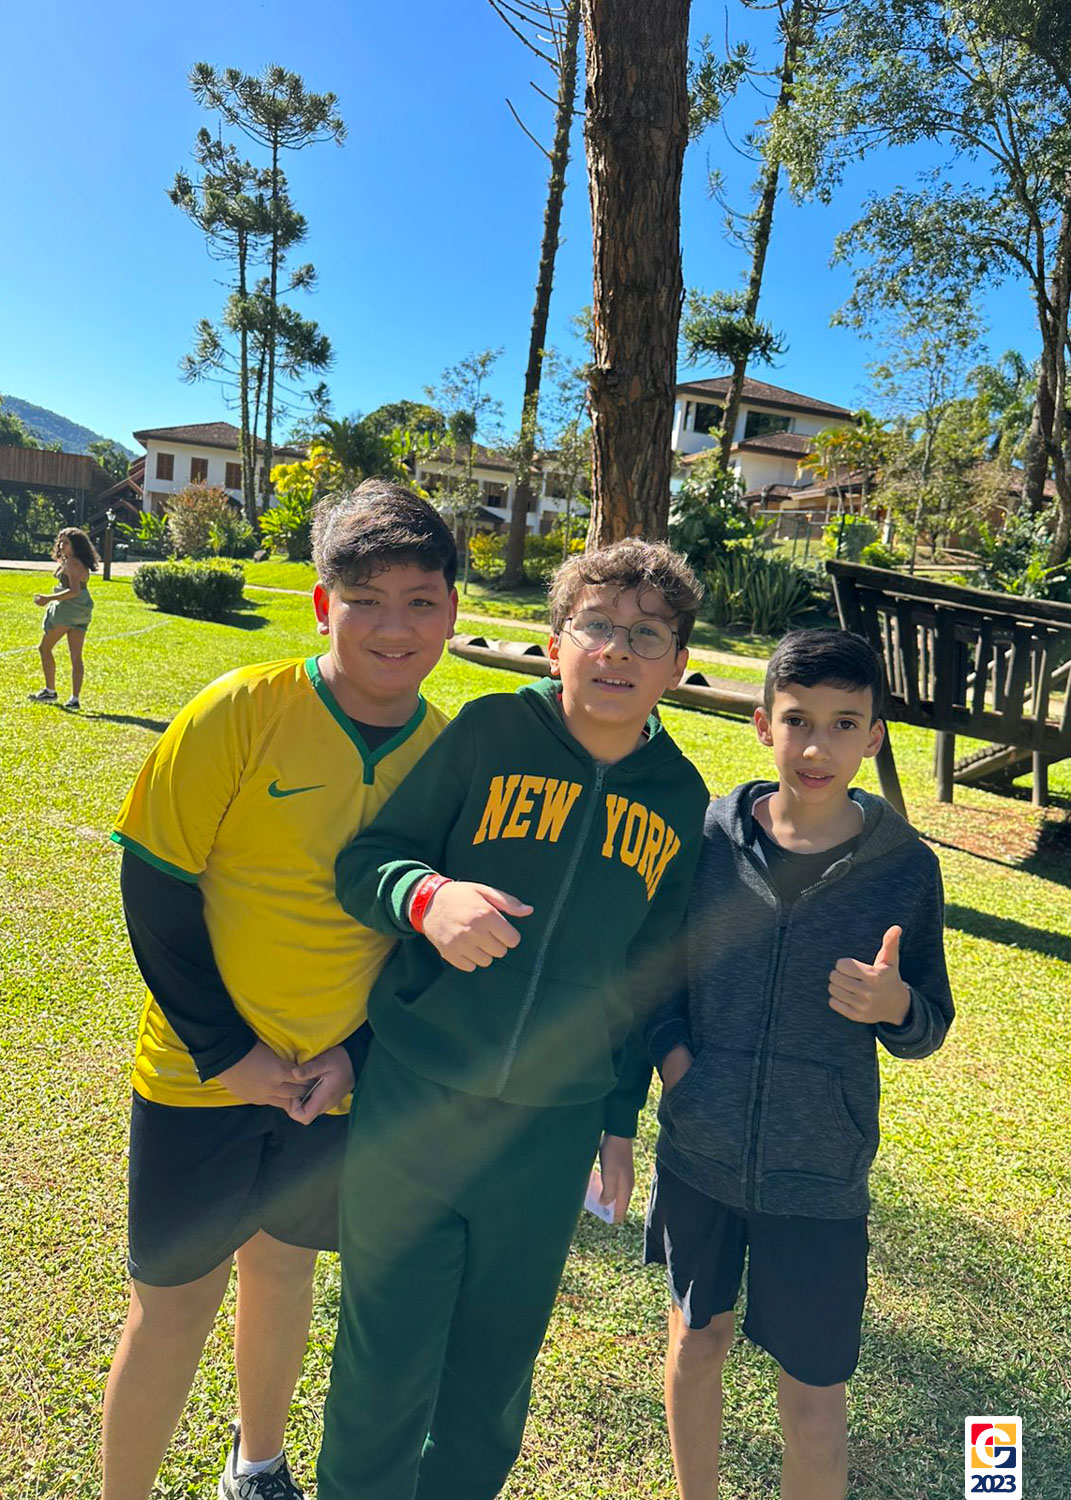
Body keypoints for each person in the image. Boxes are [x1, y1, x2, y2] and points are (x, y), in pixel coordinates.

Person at [316, 538, 710, 1500]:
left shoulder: (679, 797)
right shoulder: (490, 732)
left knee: (492, 1376)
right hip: (415, 1103)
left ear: (678, 665)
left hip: (548, 1133)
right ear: (554, 640)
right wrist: (428, 899)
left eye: (645, 636)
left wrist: (617, 1120)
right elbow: (368, 862)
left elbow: (644, 979)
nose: (615, 651)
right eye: (596, 625)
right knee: (381, 1363)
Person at [100, 480, 459, 1500]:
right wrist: (229, 1053)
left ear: (451, 613)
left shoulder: (448, 756)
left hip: (329, 1083)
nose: (394, 627)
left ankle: (256, 1465)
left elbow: (426, 945)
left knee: (286, 1267)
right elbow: (155, 890)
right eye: (366, 599)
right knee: (173, 1303)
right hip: (200, 1076)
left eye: (420, 601)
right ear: (320, 604)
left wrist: (357, 1058)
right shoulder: (239, 711)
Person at [645, 627, 955, 1500]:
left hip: (820, 1174)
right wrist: (677, 1064)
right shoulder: (709, 839)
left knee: (814, 1399)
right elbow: (656, 974)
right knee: (694, 1341)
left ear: (874, 737)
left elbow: (929, 1022)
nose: (816, 748)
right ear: (761, 725)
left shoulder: (904, 870)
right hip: (699, 1154)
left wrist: (894, 1006)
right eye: (797, 721)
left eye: (843, 724)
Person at [29, 525, 99, 708]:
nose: (61, 546)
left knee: (44, 648)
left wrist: (48, 598)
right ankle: (74, 699)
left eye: (66, 543)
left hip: (69, 611)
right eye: (60, 542)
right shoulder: (79, 562)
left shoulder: (72, 563)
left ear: (75, 545)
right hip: (82, 612)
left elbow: (74, 591)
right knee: (76, 656)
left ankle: (50, 691)